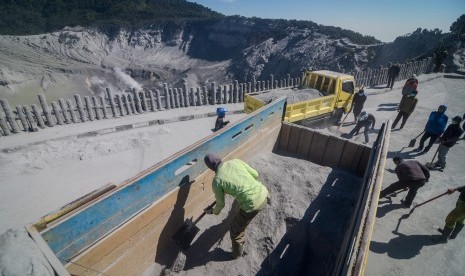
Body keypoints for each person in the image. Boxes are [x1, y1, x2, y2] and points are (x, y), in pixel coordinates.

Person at [203, 154, 269, 259]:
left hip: (252, 205)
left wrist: (212, 211)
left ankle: (237, 254)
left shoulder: (217, 181)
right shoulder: (235, 161)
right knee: (240, 206)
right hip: (264, 192)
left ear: (210, 168)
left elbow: (220, 205)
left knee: (235, 232)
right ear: (219, 158)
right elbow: (255, 174)